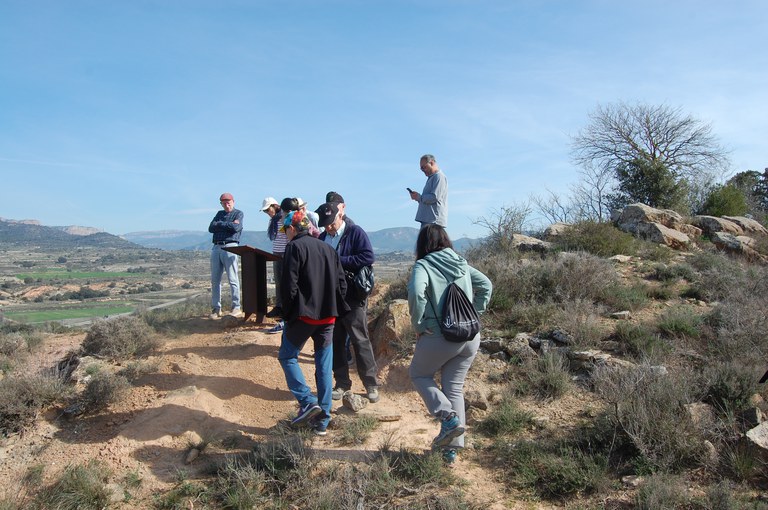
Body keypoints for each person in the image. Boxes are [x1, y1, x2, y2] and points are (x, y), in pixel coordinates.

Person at [407, 224, 492, 464]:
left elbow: (415, 292)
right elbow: (486, 284)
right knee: (453, 387)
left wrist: (420, 325)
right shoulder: (461, 263)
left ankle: (448, 418)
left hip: (440, 335)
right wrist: (475, 313)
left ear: (423, 244)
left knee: (419, 374)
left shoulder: (423, 265)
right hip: (470, 337)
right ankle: (450, 451)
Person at [277, 209, 349, 436]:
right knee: (324, 366)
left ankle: (307, 401)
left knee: (287, 356)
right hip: (328, 317)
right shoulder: (328, 248)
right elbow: (342, 284)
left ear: (291, 229)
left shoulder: (294, 247)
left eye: (285, 231)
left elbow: (289, 286)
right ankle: (323, 421)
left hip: (304, 315)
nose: (285, 235)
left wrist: (287, 314)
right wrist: (335, 307)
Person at [316, 200, 381, 403]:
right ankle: (342, 383)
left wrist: (338, 260)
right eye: (325, 223)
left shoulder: (355, 232)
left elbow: (368, 257)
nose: (328, 226)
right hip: (331, 297)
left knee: (360, 339)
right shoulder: (323, 237)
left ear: (340, 216)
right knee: (335, 341)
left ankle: (370, 384)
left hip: (353, 296)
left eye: (331, 222)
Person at [266, 197, 300, 332]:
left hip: (286, 252)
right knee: (279, 281)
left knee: (287, 282)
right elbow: (273, 236)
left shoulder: (287, 217)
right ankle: (279, 307)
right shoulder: (273, 220)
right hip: (276, 252)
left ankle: (287, 310)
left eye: (268, 209)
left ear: (275, 206)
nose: (267, 212)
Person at [208, 192, 243, 318]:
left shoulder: (238, 213)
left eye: (228, 202)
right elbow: (211, 228)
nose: (226, 204)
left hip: (230, 246)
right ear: (221, 204)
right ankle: (216, 309)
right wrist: (227, 224)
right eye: (224, 202)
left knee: (233, 279)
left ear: (233, 202)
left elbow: (236, 228)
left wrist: (220, 224)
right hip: (216, 246)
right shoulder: (219, 214)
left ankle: (236, 307)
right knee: (215, 280)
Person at [409, 154, 448, 228]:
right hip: (429, 221)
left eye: (424, 167)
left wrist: (419, 197)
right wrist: (417, 197)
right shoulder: (432, 178)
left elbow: (434, 197)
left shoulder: (439, 177)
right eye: (421, 169)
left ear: (432, 163)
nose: (423, 170)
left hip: (433, 222)